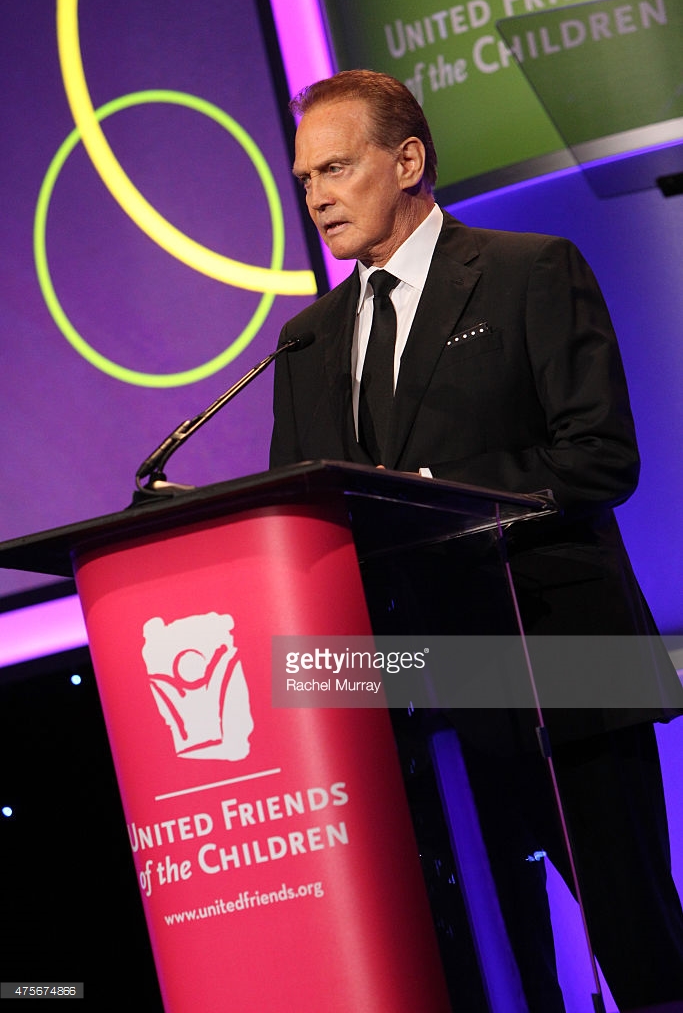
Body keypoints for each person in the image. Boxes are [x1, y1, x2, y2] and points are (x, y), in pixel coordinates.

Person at [269, 69, 683, 1012]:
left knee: (639, 943)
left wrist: (427, 499)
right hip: (409, 693)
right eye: (303, 181)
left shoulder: (528, 270)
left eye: (334, 168)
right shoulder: (306, 339)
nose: (317, 196)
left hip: (561, 668)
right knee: (480, 965)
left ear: (408, 160)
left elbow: (597, 457)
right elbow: (301, 523)